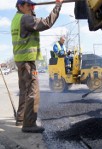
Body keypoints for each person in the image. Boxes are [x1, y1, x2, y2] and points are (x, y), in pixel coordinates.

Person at [11, 0, 63, 133]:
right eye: (28, 5)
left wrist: (31, 10)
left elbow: (31, 19)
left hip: (20, 60)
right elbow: (46, 23)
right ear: (20, 6)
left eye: (32, 5)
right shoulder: (25, 19)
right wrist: (58, 5)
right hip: (27, 61)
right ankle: (29, 124)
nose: (31, 7)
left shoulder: (16, 18)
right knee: (33, 92)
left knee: (24, 91)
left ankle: (21, 118)